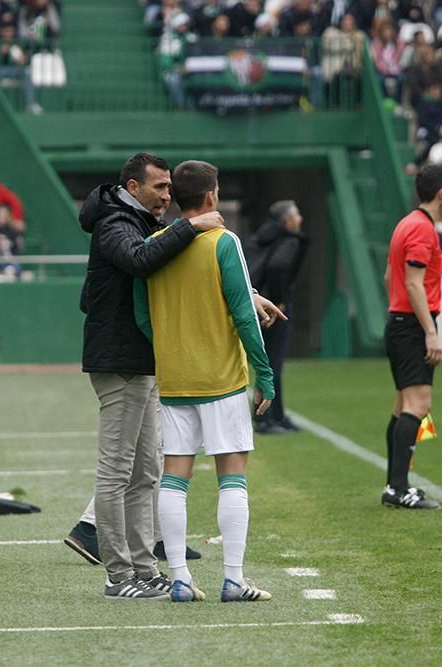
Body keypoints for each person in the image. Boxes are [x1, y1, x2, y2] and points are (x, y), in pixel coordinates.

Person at [70, 152, 281, 599]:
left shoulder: (149, 225)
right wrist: (196, 225)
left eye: (169, 187)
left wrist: (249, 291)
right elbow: (142, 262)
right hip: (123, 364)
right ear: (133, 188)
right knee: (118, 472)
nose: (165, 194)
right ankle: (120, 575)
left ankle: (151, 570)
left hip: (152, 365)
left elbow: (172, 278)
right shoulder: (116, 223)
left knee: (149, 472)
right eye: (158, 187)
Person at [135, 160, 274, 603]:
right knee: (231, 475)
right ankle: (232, 579)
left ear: (176, 198)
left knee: (174, 477)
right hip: (222, 380)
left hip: (174, 380)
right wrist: (265, 374)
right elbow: (243, 313)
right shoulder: (223, 242)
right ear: (212, 196)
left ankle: (178, 578)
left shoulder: (154, 245)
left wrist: (172, 347)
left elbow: (142, 317)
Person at [381, 164, 442, 510]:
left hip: (400, 322)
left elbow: (389, 277)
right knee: (417, 406)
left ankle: (395, 485)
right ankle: (398, 489)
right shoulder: (423, 229)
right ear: (441, 194)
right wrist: (430, 332)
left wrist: (397, 313)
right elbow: (412, 282)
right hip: (411, 325)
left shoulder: (405, 224)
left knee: (401, 407)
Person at [244, 200, 307, 435]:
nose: (300, 219)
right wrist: (279, 299)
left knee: (268, 360)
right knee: (273, 362)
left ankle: (277, 415)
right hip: (273, 306)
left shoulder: (258, 238)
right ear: (286, 221)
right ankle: (266, 418)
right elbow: (278, 267)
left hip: (254, 301)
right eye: (297, 214)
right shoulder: (288, 239)